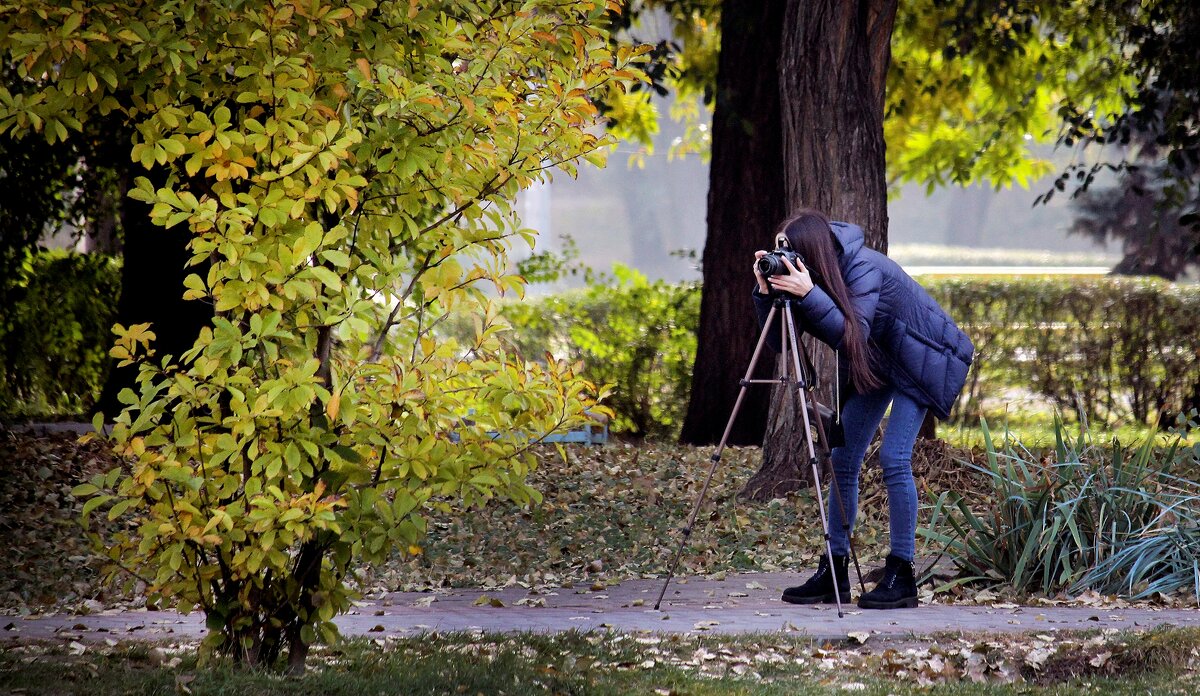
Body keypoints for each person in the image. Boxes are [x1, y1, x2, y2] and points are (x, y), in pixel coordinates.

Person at [751, 208, 973, 610]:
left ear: (812, 252)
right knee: (842, 457)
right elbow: (782, 345)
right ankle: (834, 573)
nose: (785, 260)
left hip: (923, 359)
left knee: (894, 458)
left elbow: (853, 336)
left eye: (790, 251)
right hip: (880, 361)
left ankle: (901, 576)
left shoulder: (862, 268)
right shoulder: (816, 279)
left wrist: (808, 294)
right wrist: (766, 294)